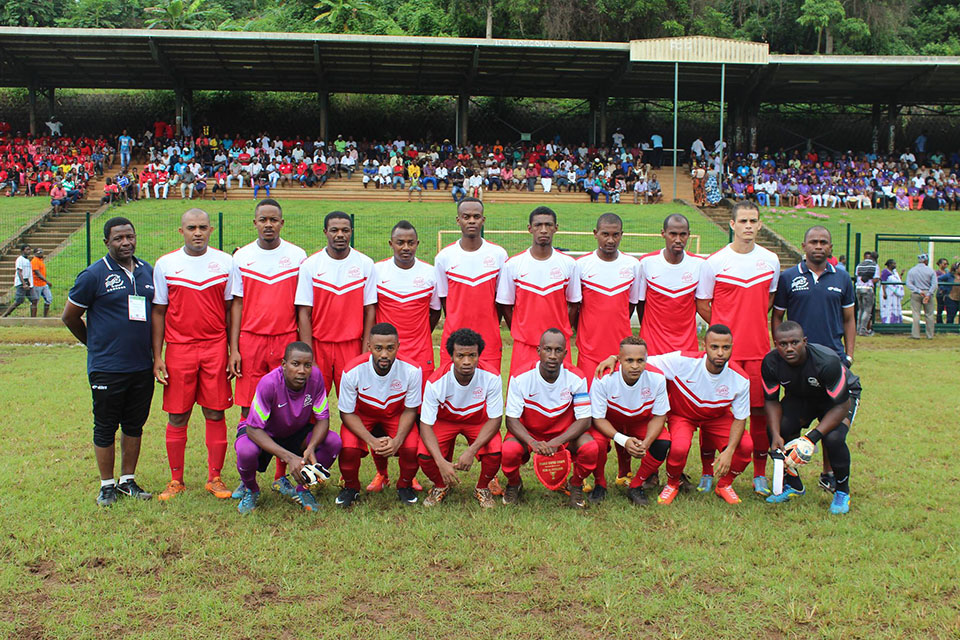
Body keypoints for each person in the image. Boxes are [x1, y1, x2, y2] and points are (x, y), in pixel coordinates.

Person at [595, 325, 753, 505]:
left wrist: (729, 451)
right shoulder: (682, 361)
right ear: (704, 346)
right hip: (683, 415)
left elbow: (741, 418)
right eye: (714, 347)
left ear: (732, 347)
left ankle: (724, 485)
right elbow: (642, 360)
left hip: (717, 417)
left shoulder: (740, 378)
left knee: (746, 446)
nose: (720, 353)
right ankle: (672, 484)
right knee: (677, 448)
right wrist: (614, 358)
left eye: (726, 348)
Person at [62, 217, 156, 506]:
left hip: (142, 365)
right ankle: (106, 486)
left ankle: (127, 480)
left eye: (130, 236)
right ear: (107, 242)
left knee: (134, 425)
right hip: (107, 368)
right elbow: (69, 316)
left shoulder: (147, 272)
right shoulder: (94, 275)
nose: (125, 242)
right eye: (118, 238)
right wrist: (94, 344)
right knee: (105, 426)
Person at [151, 209, 235, 501]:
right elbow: (159, 311)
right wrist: (158, 356)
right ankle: (176, 480)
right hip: (179, 349)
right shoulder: (166, 264)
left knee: (215, 411)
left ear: (211, 229)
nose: (197, 232)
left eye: (202, 227)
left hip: (214, 347)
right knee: (178, 415)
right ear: (181, 231)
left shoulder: (226, 263)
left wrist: (231, 349)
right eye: (191, 228)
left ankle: (215, 478)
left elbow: (230, 310)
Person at [699, 201, 780, 497]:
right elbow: (703, 304)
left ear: (760, 225)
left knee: (758, 414)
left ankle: (759, 474)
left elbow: (769, 301)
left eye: (753, 221)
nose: (748, 226)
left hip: (759, 351)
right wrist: (724, 329)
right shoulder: (715, 262)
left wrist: (750, 321)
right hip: (722, 354)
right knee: (712, 411)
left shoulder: (770, 261)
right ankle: (708, 472)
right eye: (743, 220)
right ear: (732, 224)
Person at [227, 199, 307, 500]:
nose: (269, 224)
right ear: (255, 223)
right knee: (249, 408)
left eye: (274, 219)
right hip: (251, 339)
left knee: (287, 411)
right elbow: (236, 303)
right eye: (263, 220)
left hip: (285, 338)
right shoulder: (242, 257)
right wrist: (234, 348)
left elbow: (302, 305)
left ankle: (280, 477)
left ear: (282, 223)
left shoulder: (297, 256)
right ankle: (246, 476)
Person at [570, 213, 640, 496]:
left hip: (621, 354)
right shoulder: (581, 266)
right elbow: (575, 308)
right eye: (605, 234)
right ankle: (594, 477)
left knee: (624, 412)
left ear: (621, 235)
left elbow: (631, 307)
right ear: (595, 233)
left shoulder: (633, 266)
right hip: (589, 354)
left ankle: (625, 473)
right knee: (590, 416)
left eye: (616, 235)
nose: (610, 240)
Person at [762, 321, 861, 515]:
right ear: (776, 344)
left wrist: (811, 438)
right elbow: (771, 401)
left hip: (839, 400)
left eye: (795, 342)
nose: (789, 348)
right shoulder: (771, 363)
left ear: (804, 342)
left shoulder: (826, 361)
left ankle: (842, 491)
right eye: (783, 344)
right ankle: (793, 484)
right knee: (779, 428)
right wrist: (775, 435)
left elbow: (841, 405)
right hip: (802, 396)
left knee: (834, 439)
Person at [234, 342, 343, 514]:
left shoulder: (315, 378)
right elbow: (253, 429)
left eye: (307, 365)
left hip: (295, 431)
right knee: (246, 451)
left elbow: (323, 419)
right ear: (284, 364)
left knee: (333, 442)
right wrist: (290, 457)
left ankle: (303, 489)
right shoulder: (269, 383)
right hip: (263, 433)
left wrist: (311, 447)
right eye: (295, 364)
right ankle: (251, 489)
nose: (302, 370)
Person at [501, 329, 597, 509]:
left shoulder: (577, 377)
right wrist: (532, 442)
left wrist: (556, 442)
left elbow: (585, 420)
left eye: (558, 350)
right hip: (530, 434)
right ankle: (514, 484)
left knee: (591, 447)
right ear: (539, 351)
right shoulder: (520, 377)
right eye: (548, 349)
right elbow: (511, 420)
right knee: (508, 450)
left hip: (564, 435)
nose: (552, 356)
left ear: (565, 353)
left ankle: (575, 484)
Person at [335, 323, 423, 507]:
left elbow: (410, 410)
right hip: (362, 415)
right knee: (348, 447)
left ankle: (404, 485)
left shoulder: (412, 370)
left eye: (390, 348)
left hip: (396, 414)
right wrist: (371, 440)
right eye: (378, 348)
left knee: (411, 446)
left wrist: (398, 440)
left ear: (398, 346)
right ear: (369, 347)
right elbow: (347, 413)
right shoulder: (352, 370)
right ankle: (351, 487)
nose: (384, 354)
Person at [417, 328, 503, 509]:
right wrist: (441, 462)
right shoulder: (436, 382)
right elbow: (425, 425)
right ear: (451, 356)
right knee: (424, 454)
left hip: (477, 420)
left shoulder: (491, 377)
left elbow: (495, 420)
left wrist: (471, 451)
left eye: (472, 355)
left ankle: (482, 488)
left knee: (495, 449)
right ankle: (440, 486)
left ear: (479, 355)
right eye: (460, 356)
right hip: (446, 421)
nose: (466, 361)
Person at [296, 211, 376, 396]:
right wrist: (309, 354)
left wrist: (365, 352)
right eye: (334, 230)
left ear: (351, 232)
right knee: (312, 403)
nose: (340, 234)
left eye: (345, 230)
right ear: (325, 232)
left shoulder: (365, 264)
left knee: (354, 403)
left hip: (352, 346)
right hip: (319, 344)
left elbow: (370, 311)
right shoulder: (310, 265)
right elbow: (304, 313)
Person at [496, 207, 581, 374]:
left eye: (548, 225)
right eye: (538, 225)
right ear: (530, 228)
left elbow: (574, 303)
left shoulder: (569, 264)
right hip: (525, 345)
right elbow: (506, 306)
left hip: (558, 346)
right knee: (521, 395)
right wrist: (521, 331)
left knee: (560, 395)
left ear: (556, 227)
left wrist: (563, 333)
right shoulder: (513, 264)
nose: (543, 230)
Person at [588, 336, 670, 506]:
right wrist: (623, 440)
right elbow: (598, 418)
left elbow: (660, 415)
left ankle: (636, 485)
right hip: (609, 421)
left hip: (640, 421)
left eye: (640, 360)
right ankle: (600, 484)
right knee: (596, 444)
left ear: (646, 359)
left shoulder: (657, 378)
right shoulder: (603, 377)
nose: (635, 366)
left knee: (663, 442)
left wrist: (646, 443)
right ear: (619, 360)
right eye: (629, 360)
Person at [434, 197, 508, 373]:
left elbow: (500, 301)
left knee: (488, 394)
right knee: (452, 395)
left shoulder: (499, 255)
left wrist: (489, 324)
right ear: (458, 220)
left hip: (489, 339)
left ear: (483, 219)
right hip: (454, 339)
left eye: (476, 216)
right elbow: (445, 301)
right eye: (466, 216)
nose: (472, 220)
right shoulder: (444, 257)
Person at [772, 226, 855, 365]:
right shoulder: (788, 277)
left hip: (833, 354)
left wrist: (849, 356)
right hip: (798, 356)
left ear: (830, 247)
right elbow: (777, 316)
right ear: (804, 246)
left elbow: (849, 319)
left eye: (823, 242)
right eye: (813, 242)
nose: (818, 246)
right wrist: (781, 349)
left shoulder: (843, 278)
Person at [373, 220, 441, 376]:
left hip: (420, 351)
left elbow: (436, 312)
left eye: (410, 243)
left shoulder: (430, 273)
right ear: (391, 244)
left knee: (421, 399)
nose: (406, 248)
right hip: (385, 352)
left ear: (417, 243)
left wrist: (421, 335)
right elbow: (369, 311)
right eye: (400, 243)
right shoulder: (377, 271)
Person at [905, 253, 938, 339]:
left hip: (916, 294)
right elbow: (934, 284)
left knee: (916, 314)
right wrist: (929, 294)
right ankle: (930, 335)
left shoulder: (912, 270)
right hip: (928, 293)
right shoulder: (931, 271)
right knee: (929, 314)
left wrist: (918, 291)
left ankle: (915, 334)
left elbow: (908, 283)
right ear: (926, 261)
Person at [4, 245, 37, 317]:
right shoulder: (20, 259)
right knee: (19, 300)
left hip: (29, 283)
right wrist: (24, 284)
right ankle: (5, 315)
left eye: (29, 249)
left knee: (34, 300)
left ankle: (33, 319)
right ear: (22, 251)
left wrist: (30, 283)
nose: (29, 251)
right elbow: (19, 272)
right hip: (22, 282)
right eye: (27, 250)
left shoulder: (27, 260)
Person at [854, 251, 880, 336]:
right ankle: (863, 330)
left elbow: (857, 276)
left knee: (860, 309)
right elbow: (876, 279)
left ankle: (857, 329)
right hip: (868, 288)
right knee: (867, 310)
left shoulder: (860, 265)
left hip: (858, 288)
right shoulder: (875, 266)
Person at [879, 259, 904, 324]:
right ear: (889, 265)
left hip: (894, 294)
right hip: (888, 293)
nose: (895, 265)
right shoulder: (885, 272)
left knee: (895, 307)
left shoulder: (894, 272)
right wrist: (884, 293)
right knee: (888, 308)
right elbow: (883, 283)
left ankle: (895, 322)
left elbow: (897, 281)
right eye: (894, 264)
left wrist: (901, 275)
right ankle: (887, 322)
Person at [30, 247, 53, 317]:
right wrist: (47, 281)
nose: (41, 253)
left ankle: (45, 317)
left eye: (41, 252)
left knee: (49, 299)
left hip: (43, 284)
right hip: (36, 284)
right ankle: (33, 318)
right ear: (34, 253)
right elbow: (37, 273)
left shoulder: (40, 260)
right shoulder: (34, 261)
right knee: (35, 301)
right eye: (39, 252)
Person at [935, 258, 950, 324]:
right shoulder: (936, 273)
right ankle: (939, 322)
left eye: (947, 264)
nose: (946, 265)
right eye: (944, 264)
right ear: (940, 264)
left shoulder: (948, 272)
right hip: (941, 292)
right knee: (940, 308)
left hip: (948, 292)